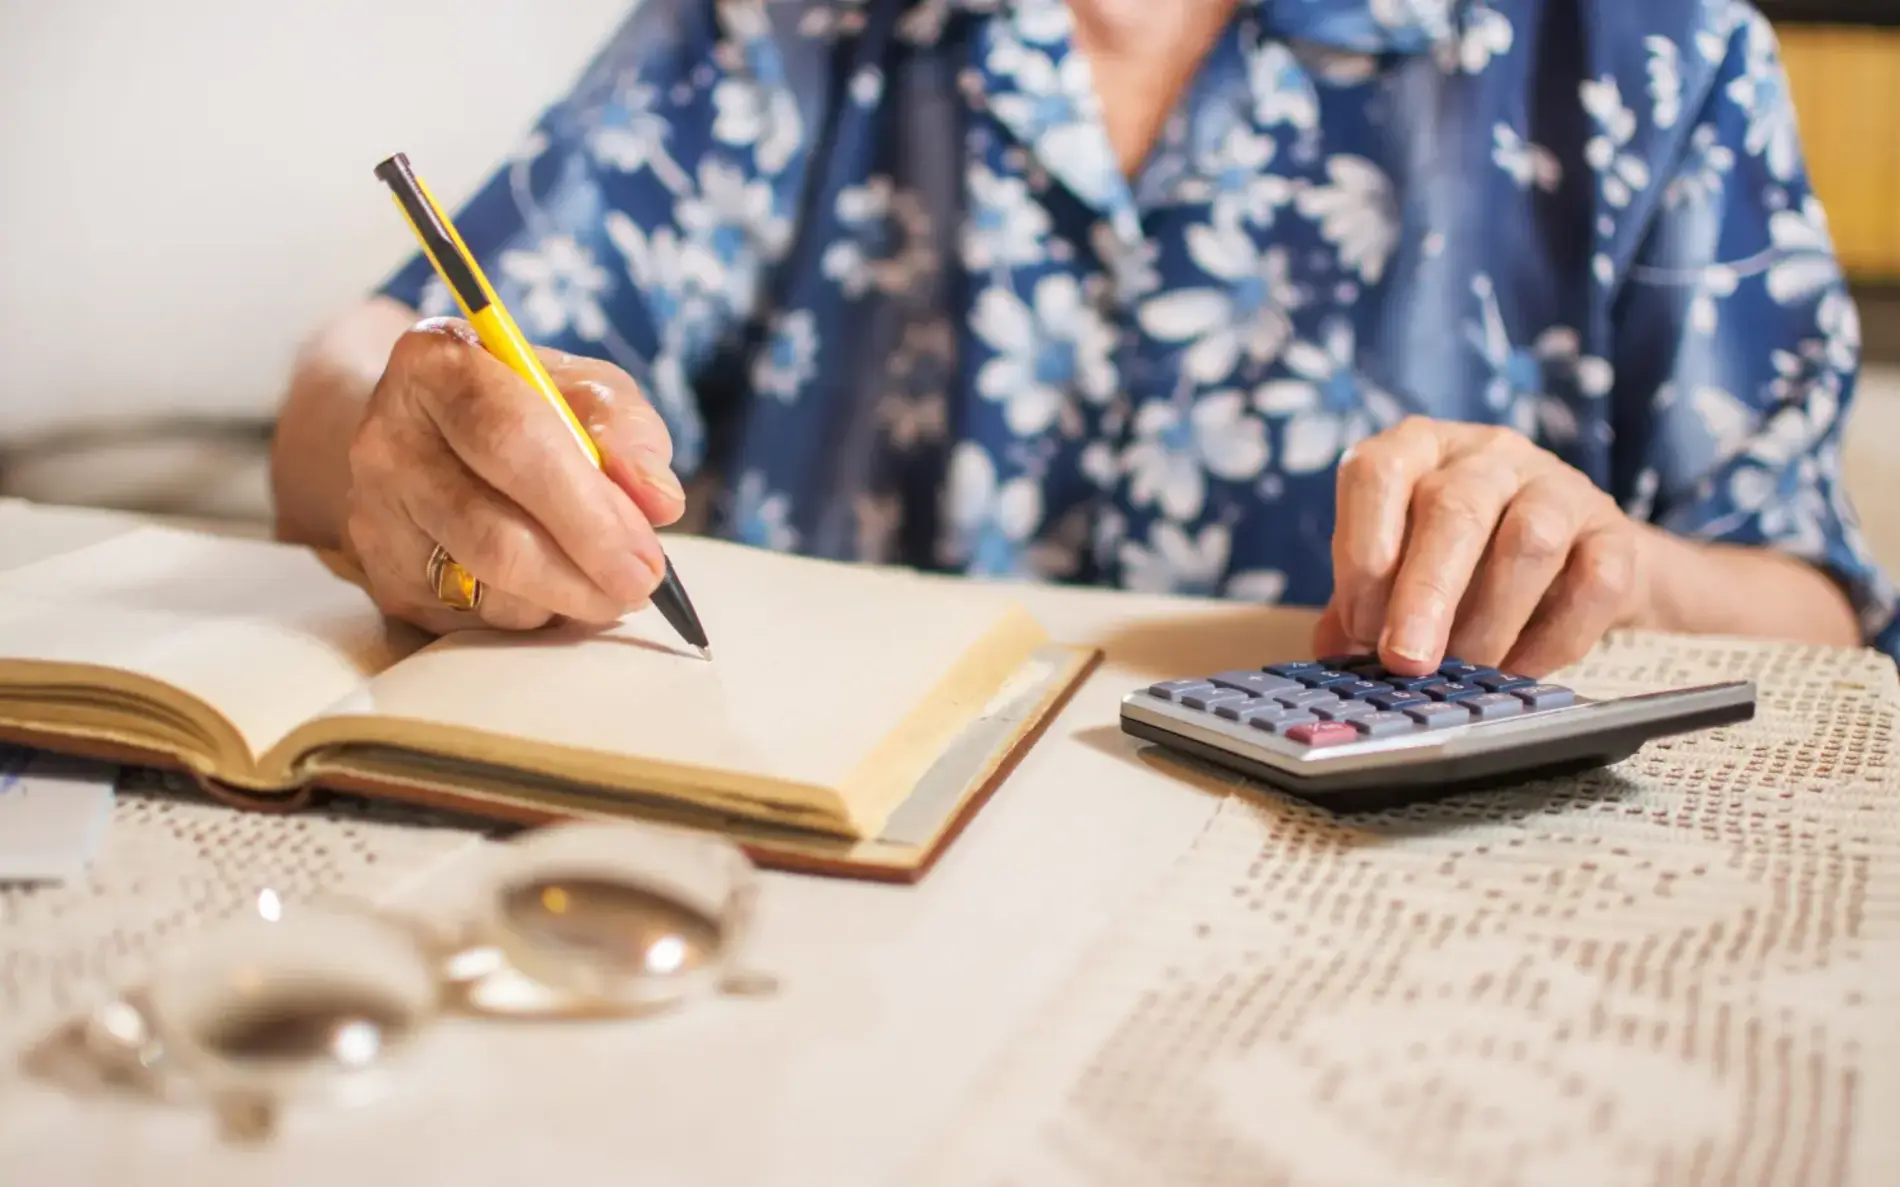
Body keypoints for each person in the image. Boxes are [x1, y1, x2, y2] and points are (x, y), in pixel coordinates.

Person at [269, 0, 1900, 677]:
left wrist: (1592, 559)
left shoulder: (1654, 49)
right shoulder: (785, 24)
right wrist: (398, 434)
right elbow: (379, 356)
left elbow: (1819, 610)